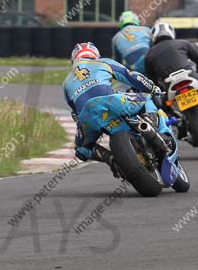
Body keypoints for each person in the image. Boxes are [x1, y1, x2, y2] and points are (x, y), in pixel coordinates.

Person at [62, 42, 178, 174]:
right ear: (95, 55)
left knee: (81, 148)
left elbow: (75, 112)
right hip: (112, 101)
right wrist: (152, 87)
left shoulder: (65, 83)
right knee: (146, 98)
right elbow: (132, 77)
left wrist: (85, 128)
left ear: (74, 59)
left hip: (88, 116)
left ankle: (112, 159)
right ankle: (153, 131)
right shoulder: (103, 63)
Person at [144, 22, 198, 125]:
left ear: (153, 36)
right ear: (171, 33)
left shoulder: (149, 55)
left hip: (170, 85)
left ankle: (177, 123)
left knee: (162, 108)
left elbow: (151, 81)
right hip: (190, 76)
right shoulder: (182, 43)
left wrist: (161, 88)